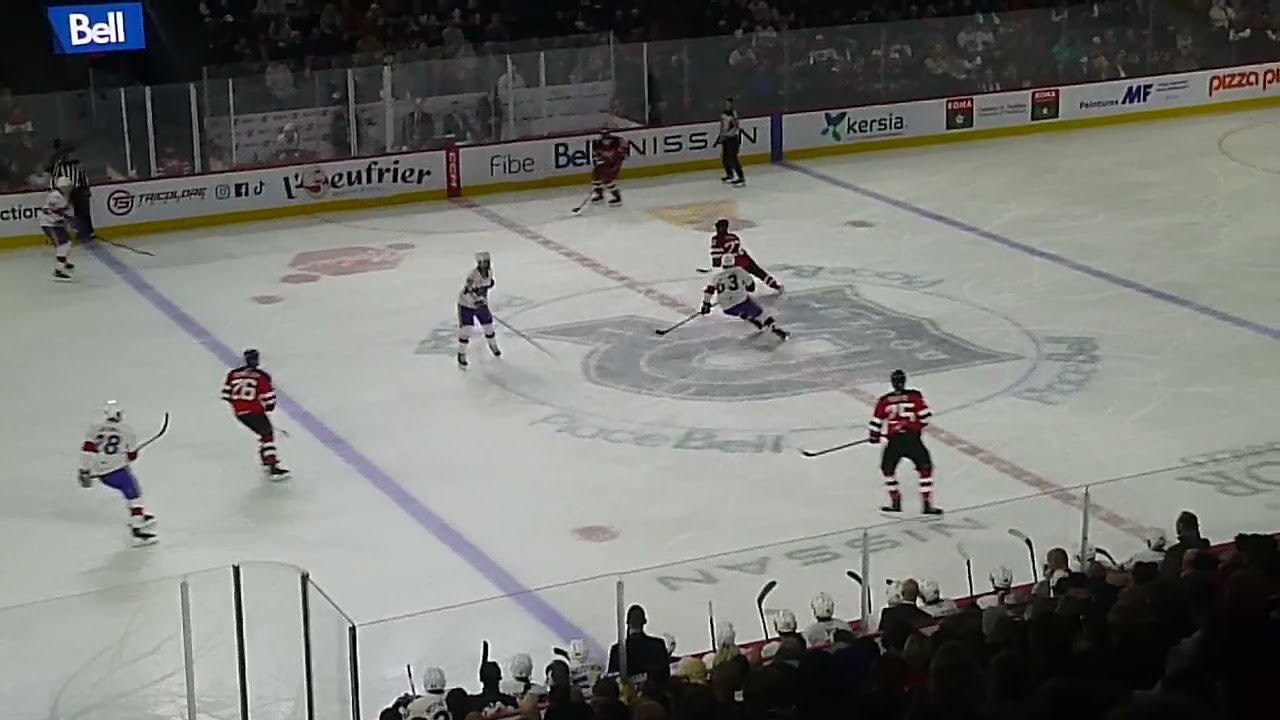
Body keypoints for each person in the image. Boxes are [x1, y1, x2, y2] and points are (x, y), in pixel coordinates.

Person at [79, 401, 156, 544]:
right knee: (134, 494)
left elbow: (87, 449)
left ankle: (136, 514)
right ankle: (138, 525)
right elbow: (132, 456)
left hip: (101, 472)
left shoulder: (95, 428)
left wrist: (84, 470)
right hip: (117, 470)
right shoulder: (126, 429)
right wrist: (129, 454)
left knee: (130, 494)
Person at [869, 369, 939, 514]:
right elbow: (925, 418)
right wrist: (916, 426)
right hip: (912, 439)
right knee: (926, 468)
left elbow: (876, 422)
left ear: (892, 383)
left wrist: (874, 437)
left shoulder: (884, 400)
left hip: (895, 441)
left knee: (887, 469)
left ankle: (896, 501)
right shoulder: (914, 396)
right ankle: (926, 504)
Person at [221, 348, 290, 480]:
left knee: (263, 433)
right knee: (267, 433)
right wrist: (266, 408)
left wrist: (239, 406)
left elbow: (226, 395)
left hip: (239, 413)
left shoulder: (232, 374)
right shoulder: (262, 376)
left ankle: (265, 458)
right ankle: (272, 466)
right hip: (255, 411)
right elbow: (269, 400)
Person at [699, 249, 789, 341]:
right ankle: (775, 329)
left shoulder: (717, 277)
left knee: (742, 311)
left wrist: (706, 304)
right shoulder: (739, 271)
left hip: (726, 307)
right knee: (760, 312)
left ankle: (751, 319)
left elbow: (709, 291)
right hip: (741, 301)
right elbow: (751, 285)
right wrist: (747, 288)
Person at [710, 219, 782, 291]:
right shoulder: (733, 236)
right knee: (759, 272)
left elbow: (716, 258)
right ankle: (775, 286)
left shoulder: (716, 239)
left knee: (739, 278)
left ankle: (743, 293)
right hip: (745, 258)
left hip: (734, 263)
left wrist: (715, 267)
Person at [456, 251, 501, 368]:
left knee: (489, 326)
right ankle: (461, 353)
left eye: (487, 262)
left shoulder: (489, 272)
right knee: (467, 329)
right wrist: (476, 298)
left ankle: (493, 345)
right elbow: (468, 290)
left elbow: (489, 284)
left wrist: (483, 296)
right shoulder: (473, 275)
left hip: (481, 305)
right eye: (484, 263)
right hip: (466, 305)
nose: (486, 265)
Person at [607, 604, 670, 683]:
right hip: (653, 693)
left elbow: (612, 679)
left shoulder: (617, 650)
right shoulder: (658, 645)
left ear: (627, 622)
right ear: (644, 621)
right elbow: (665, 676)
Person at [48, 140, 97, 241]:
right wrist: (53, 189)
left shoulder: (77, 164)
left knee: (83, 212)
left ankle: (88, 232)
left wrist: (87, 189)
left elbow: (83, 176)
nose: (70, 155)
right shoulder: (60, 164)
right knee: (63, 213)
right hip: (65, 191)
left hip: (79, 189)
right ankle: (61, 234)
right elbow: (54, 177)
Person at [41, 175, 76, 279]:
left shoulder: (58, 194)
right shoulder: (57, 196)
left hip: (54, 223)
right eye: (68, 186)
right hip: (51, 224)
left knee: (67, 242)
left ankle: (63, 262)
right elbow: (55, 210)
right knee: (63, 245)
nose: (70, 188)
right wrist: (67, 219)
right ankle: (58, 270)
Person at [591, 128, 626, 206]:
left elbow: (623, 152)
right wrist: (599, 161)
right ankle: (599, 195)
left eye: (606, 134)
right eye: (603, 135)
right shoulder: (597, 143)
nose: (605, 136)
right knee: (596, 176)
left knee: (607, 179)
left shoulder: (618, 140)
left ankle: (617, 198)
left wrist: (617, 162)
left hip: (614, 163)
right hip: (603, 163)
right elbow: (596, 155)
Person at [718, 97, 745, 185]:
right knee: (725, 158)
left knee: (733, 158)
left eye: (729, 103)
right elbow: (722, 125)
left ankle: (741, 177)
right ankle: (729, 174)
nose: (727, 105)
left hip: (732, 138)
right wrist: (721, 135)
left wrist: (730, 132)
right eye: (726, 103)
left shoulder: (733, 113)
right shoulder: (723, 114)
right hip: (725, 138)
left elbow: (736, 125)